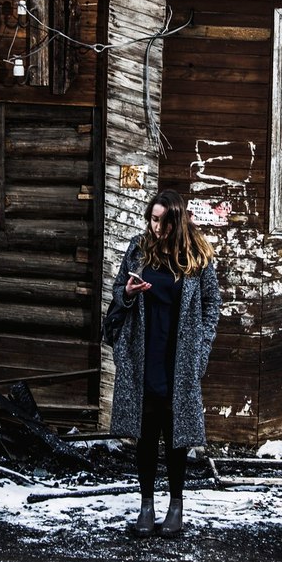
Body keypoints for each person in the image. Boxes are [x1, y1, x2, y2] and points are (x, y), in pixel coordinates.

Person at [106, 189, 222, 538]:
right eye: (152, 219)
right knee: (145, 434)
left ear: (176, 221)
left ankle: (175, 505)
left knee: (176, 436)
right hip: (144, 353)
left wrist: (199, 355)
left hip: (179, 357)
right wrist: (126, 293)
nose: (156, 227)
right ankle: (146, 505)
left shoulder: (197, 257)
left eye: (163, 221)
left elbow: (211, 307)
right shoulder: (138, 250)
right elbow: (117, 293)